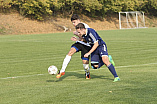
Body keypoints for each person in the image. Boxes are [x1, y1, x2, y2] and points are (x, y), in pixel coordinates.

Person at [56, 14, 91, 79]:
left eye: (74, 22)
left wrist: (77, 35)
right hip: (79, 43)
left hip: (87, 46)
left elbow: (87, 39)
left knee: (85, 64)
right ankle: (62, 71)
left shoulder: (85, 27)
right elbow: (81, 38)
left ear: (79, 20)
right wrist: (77, 38)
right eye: (72, 23)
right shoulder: (77, 27)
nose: (73, 24)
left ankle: (87, 73)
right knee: (70, 52)